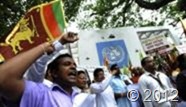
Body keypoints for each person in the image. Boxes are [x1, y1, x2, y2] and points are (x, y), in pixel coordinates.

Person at [0, 33, 79, 107]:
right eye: (66, 64)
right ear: (53, 72)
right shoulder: (41, 94)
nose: (73, 67)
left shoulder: (83, 98)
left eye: (74, 65)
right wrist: (48, 47)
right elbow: (4, 78)